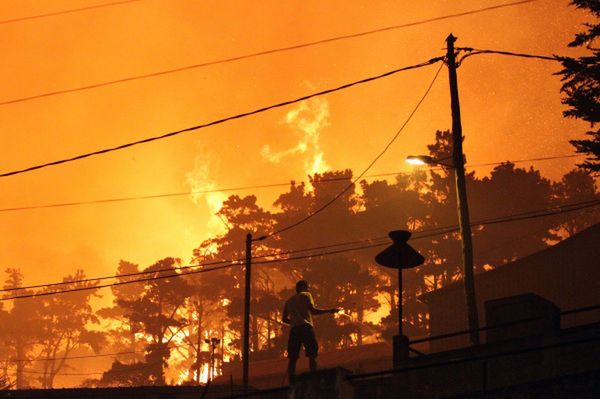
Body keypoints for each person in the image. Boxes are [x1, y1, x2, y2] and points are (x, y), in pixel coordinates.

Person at [282, 280, 340, 383]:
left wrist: (295, 322)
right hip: (305, 328)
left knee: (293, 356)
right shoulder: (306, 295)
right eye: (307, 287)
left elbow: (284, 319)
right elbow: (313, 311)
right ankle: (313, 375)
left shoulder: (289, 301)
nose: (308, 289)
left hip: (294, 330)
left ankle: (291, 378)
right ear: (304, 287)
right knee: (312, 352)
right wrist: (330, 311)